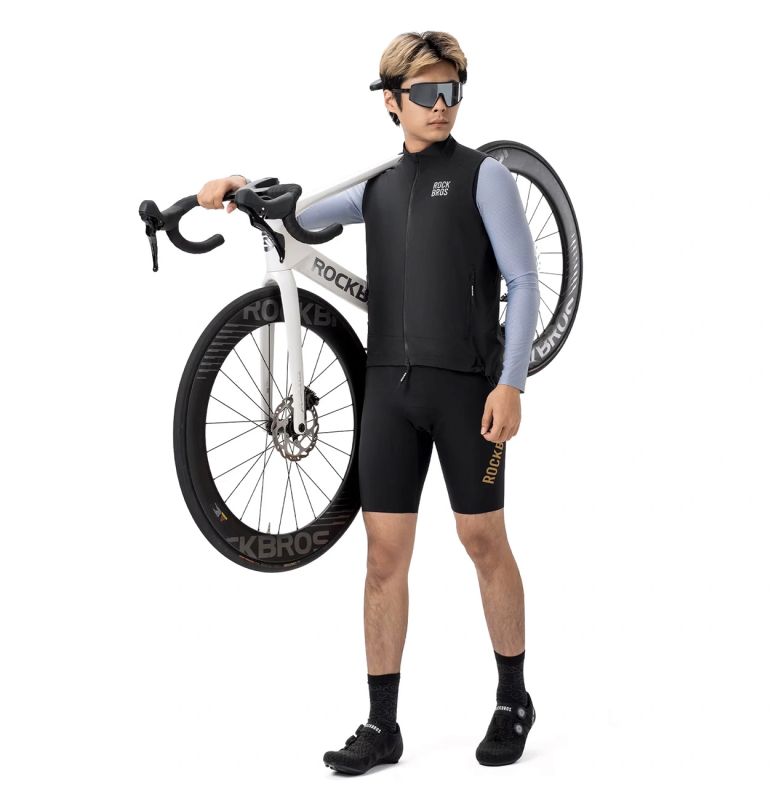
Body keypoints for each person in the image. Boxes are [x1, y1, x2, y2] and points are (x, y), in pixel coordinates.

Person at [197, 30, 540, 773]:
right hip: (388, 392)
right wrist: (241, 187)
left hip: (468, 391)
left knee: (482, 540)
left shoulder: (484, 177)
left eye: (452, 91)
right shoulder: (376, 187)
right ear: (391, 101)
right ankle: (383, 725)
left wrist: (512, 382)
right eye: (426, 93)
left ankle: (514, 699)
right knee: (383, 556)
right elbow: (295, 218)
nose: (441, 105)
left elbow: (524, 281)